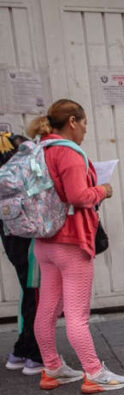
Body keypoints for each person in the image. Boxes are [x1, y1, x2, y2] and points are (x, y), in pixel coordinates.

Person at [28, 100, 124, 392]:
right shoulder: (69, 153)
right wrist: (103, 190)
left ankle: (52, 368)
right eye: (84, 123)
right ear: (72, 121)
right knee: (77, 314)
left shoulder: (39, 149)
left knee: (47, 308)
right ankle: (94, 373)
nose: (86, 130)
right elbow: (78, 196)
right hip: (71, 242)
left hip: (44, 242)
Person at [0, 132, 43, 376]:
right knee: (36, 295)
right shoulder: (22, 182)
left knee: (29, 294)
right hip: (28, 245)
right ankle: (34, 354)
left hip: (12, 243)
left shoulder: (5, 187)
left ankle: (21, 351)